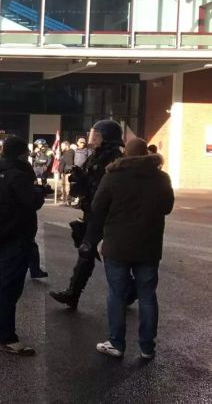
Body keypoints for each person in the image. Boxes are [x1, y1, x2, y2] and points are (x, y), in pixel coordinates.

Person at [90, 138, 173, 360]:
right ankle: (147, 347)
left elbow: (97, 207)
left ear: (125, 154)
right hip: (149, 245)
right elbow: (168, 207)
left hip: (117, 245)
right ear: (146, 153)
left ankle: (116, 343)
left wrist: (92, 238)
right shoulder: (161, 178)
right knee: (147, 296)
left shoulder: (113, 177)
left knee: (116, 294)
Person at [50, 121, 125, 309]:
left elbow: (107, 187)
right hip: (91, 210)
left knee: (91, 251)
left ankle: (74, 294)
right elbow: (90, 178)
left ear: (107, 137)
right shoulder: (96, 155)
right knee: (92, 252)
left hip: (104, 214)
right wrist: (78, 175)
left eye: (97, 134)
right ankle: (74, 294)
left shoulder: (114, 158)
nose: (93, 138)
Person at [0, 136, 45, 356]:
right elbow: (30, 202)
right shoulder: (18, 175)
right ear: (22, 154)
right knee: (10, 286)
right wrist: (39, 192)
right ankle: (7, 336)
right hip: (16, 233)